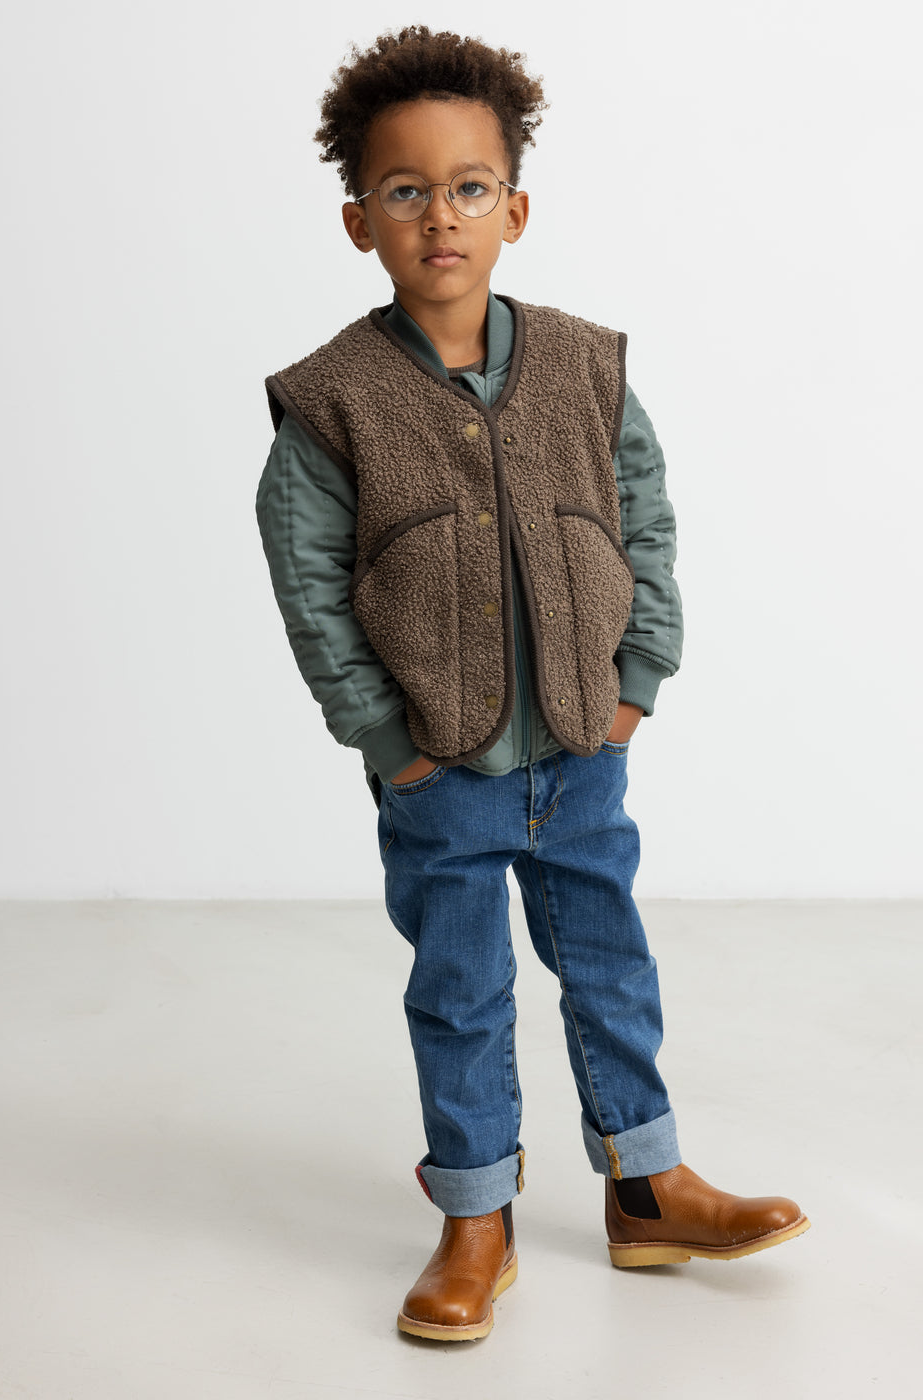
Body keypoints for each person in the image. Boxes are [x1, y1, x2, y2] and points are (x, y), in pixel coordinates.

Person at [256, 25, 809, 1343]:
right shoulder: (332, 402)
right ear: (359, 222)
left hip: (580, 748)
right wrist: (382, 737)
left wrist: (637, 679)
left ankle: (647, 1183)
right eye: (405, 191)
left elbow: (645, 519)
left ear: (515, 207)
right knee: (461, 992)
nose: (439, 217)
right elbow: (308, 581)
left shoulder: (583, 363)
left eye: (468, 186)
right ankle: (475, 1219)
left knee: (611, 965)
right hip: (438, 769)